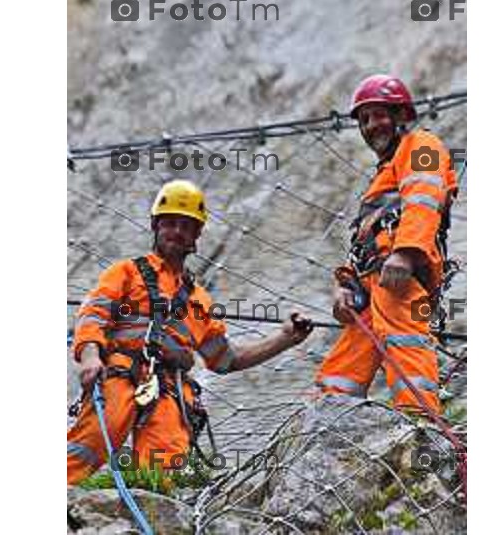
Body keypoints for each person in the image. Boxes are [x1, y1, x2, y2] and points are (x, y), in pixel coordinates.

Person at [68, 179, 313, 483]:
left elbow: (226, 359)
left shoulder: (199, 301)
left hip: (170, 388)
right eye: (170, 223)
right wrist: (91, 356)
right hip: (121, 373)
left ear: (196, 237)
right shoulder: (125, 273)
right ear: (156, 226)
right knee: (87, 446)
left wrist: (285, 338)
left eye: (186, 226)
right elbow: (93, 315)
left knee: (164, 466)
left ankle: (149, 520)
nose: (177, 231)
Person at [315, 75, 458, 414]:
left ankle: (420, 429)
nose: (370, 126)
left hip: (400, 282)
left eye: (378, 115)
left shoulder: (421, 145)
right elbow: (365, 240)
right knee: (340, 375)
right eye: (364, 119)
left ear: (401, 115)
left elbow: (423, 198)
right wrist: (344, 285)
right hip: (371, 286)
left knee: (406, 348)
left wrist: (406, 254)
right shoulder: (381, 178)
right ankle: (326, 433)